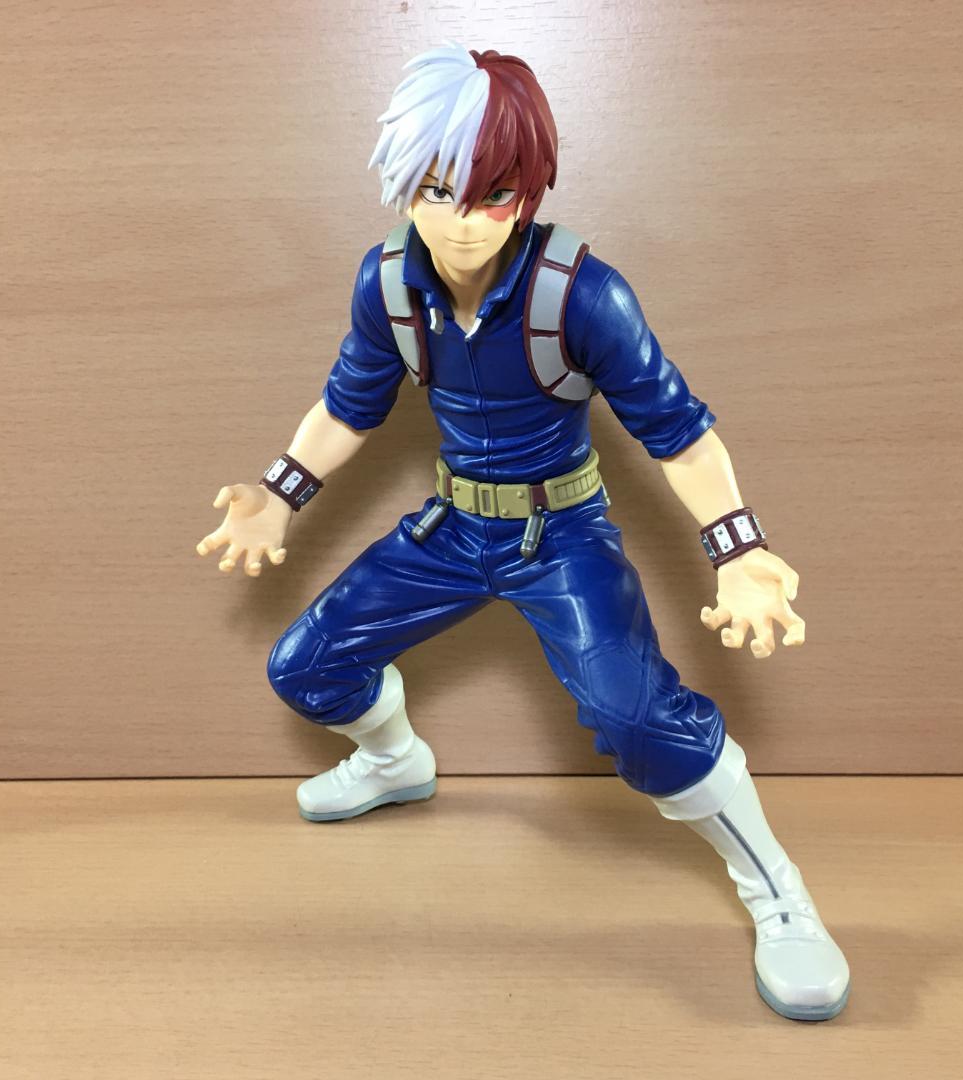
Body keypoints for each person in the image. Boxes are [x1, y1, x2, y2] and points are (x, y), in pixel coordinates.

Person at [196, 41, 850, 1022]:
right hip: (453, 527)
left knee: (638, 722)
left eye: (493, 195)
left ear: (528, 192)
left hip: (564, 536)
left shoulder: (581, 294)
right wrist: (278, 494)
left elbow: (677, 433)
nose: (463, 222)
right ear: (404, 184)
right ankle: (395, 762)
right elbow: (348, 406)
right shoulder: (387, 285)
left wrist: (740, 549)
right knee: (306, 668)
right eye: (438, 191)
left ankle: (778, 893)